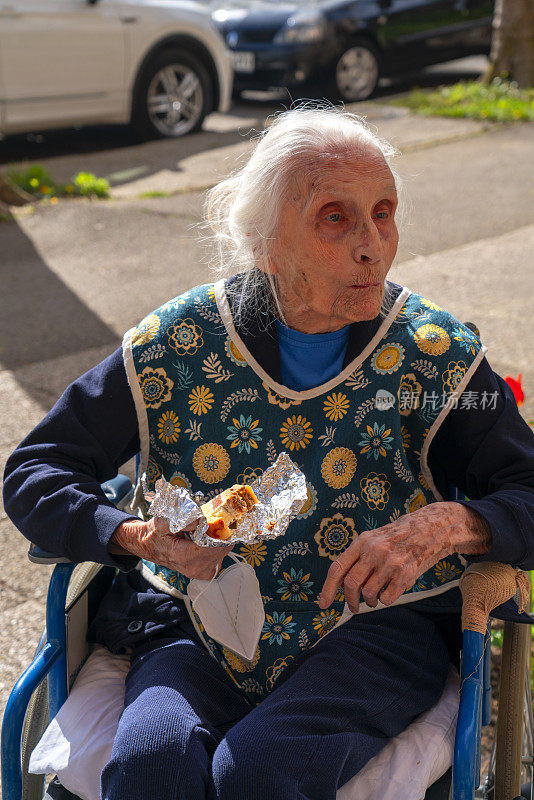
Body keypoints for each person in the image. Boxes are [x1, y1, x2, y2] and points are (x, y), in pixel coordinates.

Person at [4, 107, 534, 800]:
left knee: (262, 771)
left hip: (372, 626)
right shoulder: (175, 344)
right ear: (262, 242)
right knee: (150, 766)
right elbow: (35, 471)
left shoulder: (433, 357)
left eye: (384, 212)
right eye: (335, 218)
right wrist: (140, 538)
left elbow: (526, 486)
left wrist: (448, 524)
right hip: (196, 623)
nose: (374, 245)